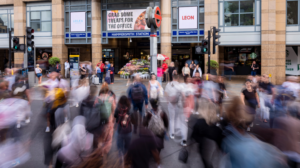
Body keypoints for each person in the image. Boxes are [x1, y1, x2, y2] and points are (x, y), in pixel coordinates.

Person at [165, 74, 187, 146]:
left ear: (172, 77)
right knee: (178, 119)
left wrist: (168, 100)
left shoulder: (169, 84)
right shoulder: (180, 86)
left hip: (171, 103)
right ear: (178, 78)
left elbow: (166, 93)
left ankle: (172, 134)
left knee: (172, 119)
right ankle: (182, 137)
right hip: (178, 103)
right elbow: (183, 96)